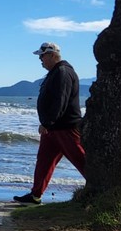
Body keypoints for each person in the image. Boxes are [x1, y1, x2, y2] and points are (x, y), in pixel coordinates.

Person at [14, 42, 86, 205]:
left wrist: (47, 122)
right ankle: (35, 195)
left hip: (65, 127)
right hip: (53, 129)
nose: (40, 59)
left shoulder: (63, 72)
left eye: (42, 56)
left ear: (52, 55)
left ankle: (102, 189)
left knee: (81, 159)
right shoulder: (55, 72)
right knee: (44, 161)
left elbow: (60, 100)